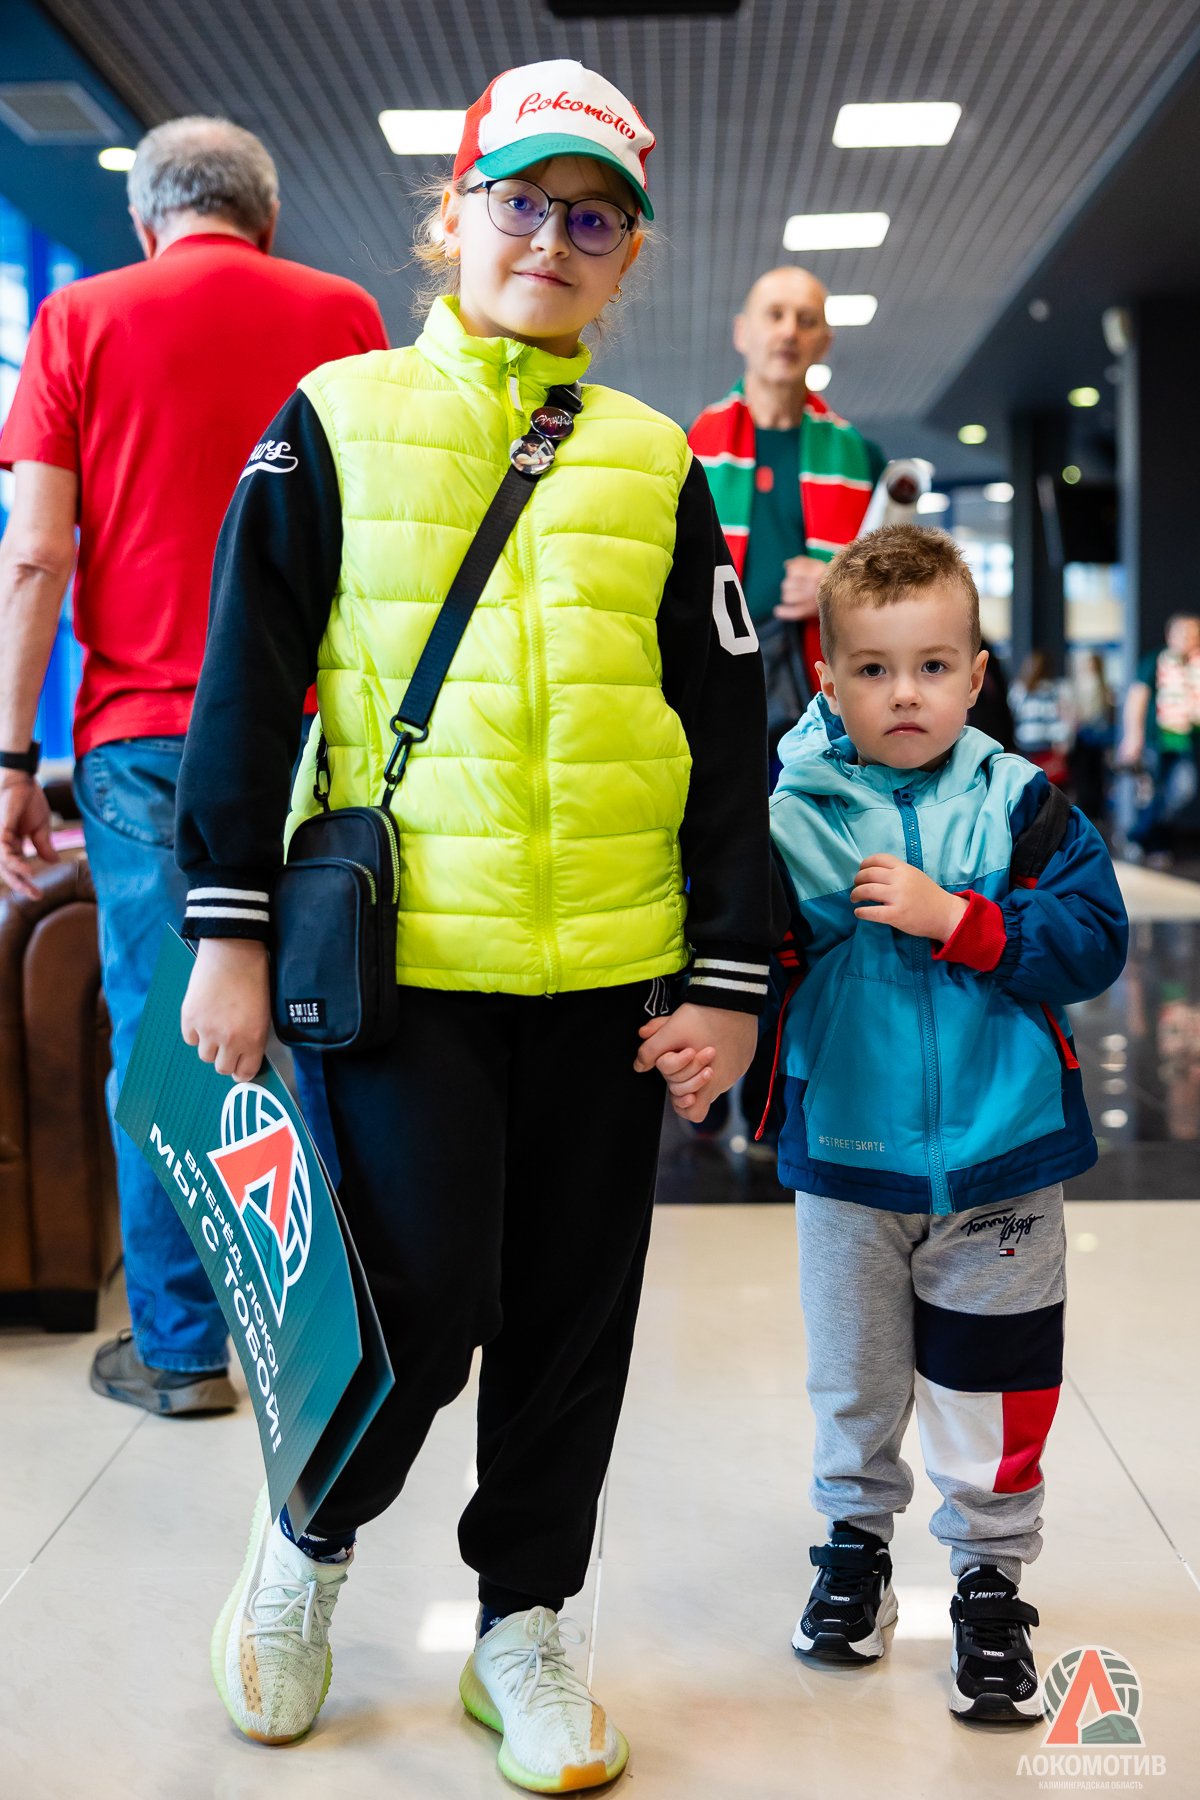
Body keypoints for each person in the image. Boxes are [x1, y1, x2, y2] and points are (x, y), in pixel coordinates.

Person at [174, 61, 779, 1790]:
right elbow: (245, 685)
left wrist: (729, 974)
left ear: (627, 257)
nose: (550, 241)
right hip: (409, 966)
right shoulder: (334, 416)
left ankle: (528, 1621)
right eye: (521, 202)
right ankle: (306, 1543)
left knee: (575, 1320)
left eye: (592, 220)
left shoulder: (660, 466)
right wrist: (227, 930)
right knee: (419, 1302)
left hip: (612, 970)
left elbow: (724, 731)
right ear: (454, 216)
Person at [0, 117, 387, 1416]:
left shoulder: (78, 319)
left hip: (145, 739)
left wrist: (10, 754)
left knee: (168, 1034)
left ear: (144, 219)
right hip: (318, 734)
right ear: (264, 219)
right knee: (324, 1023)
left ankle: (179, 1352)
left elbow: (36, 553)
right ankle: (330, 1349)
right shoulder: (341, 313)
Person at [763, 525, 1126, 1722]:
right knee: (854, 1383)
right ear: (829, 678)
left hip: (1002, 1156)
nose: (904, 694)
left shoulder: (1021, 803)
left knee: (993, 1384)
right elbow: (745, 955)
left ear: (977, 675)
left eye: (931, 667)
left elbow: (1095, 938)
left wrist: (964, 921)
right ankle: (854, 1554)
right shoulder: (796, 811)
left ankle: (989, 1583)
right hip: (850, 1162)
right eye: (873, 669)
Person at [687, 266, 885, 761]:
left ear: (824, 343)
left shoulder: (864, 459)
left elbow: (899, 590)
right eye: (774, 315)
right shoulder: (686, 451)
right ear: (742, 332)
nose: (789, 332)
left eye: (806, 320)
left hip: (828, 697)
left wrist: (838, 583)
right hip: (716, 689)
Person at [1117, 612, 1200, 863]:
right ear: (1170, 635)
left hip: (1186, 742)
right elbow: (1137, 699)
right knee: (1151, 792)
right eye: (1184, 633)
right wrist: (1133, 737)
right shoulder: (1155, 661)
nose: (1190, 639)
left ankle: (1141, 836)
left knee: (1181, 790)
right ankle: (1146, 840)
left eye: (1194, 634)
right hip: (1156, 741)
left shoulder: (1196, 666)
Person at [1009, 648, 1074, 786]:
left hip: (1023, 744)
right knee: (1046, 786)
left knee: (1026, 785)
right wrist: (1061, 740)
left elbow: (1012, 716)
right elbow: (1055, 720)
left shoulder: (1018, 690)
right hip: (1044, 746)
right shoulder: (1051, 690)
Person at [1068, 648, 1115, 822]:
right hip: (1091, 738)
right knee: (1092, 776)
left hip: (1089, 737)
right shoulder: (1099, 686)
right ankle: (1093, 811)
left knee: (1088, 776)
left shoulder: (1090, 685)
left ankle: (1090, 811)